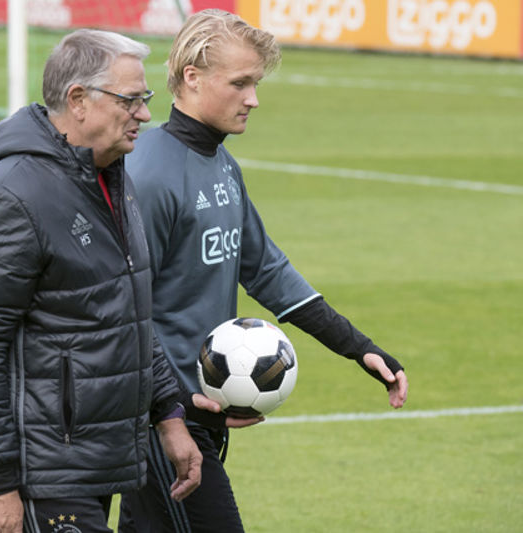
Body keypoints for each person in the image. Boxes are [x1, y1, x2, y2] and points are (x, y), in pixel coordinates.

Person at [118, 9, 409, 532]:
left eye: (255, 83)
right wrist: (174, 405)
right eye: (240, 83)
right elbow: (123, 308)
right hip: (163, 420)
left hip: (192, 414)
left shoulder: (222, 166)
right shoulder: (150, 174)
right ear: (192, 77)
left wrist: (357, 347)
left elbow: (267, 270)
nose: (253, 98)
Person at [0, 29, 203, 533]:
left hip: (99, 459)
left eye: (145, 98)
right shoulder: (12, 199)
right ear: (78, 100)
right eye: (130, 100)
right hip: (45, 472)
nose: (144, 114)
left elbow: (126, 310)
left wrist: (169, 413)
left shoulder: (111, 176)